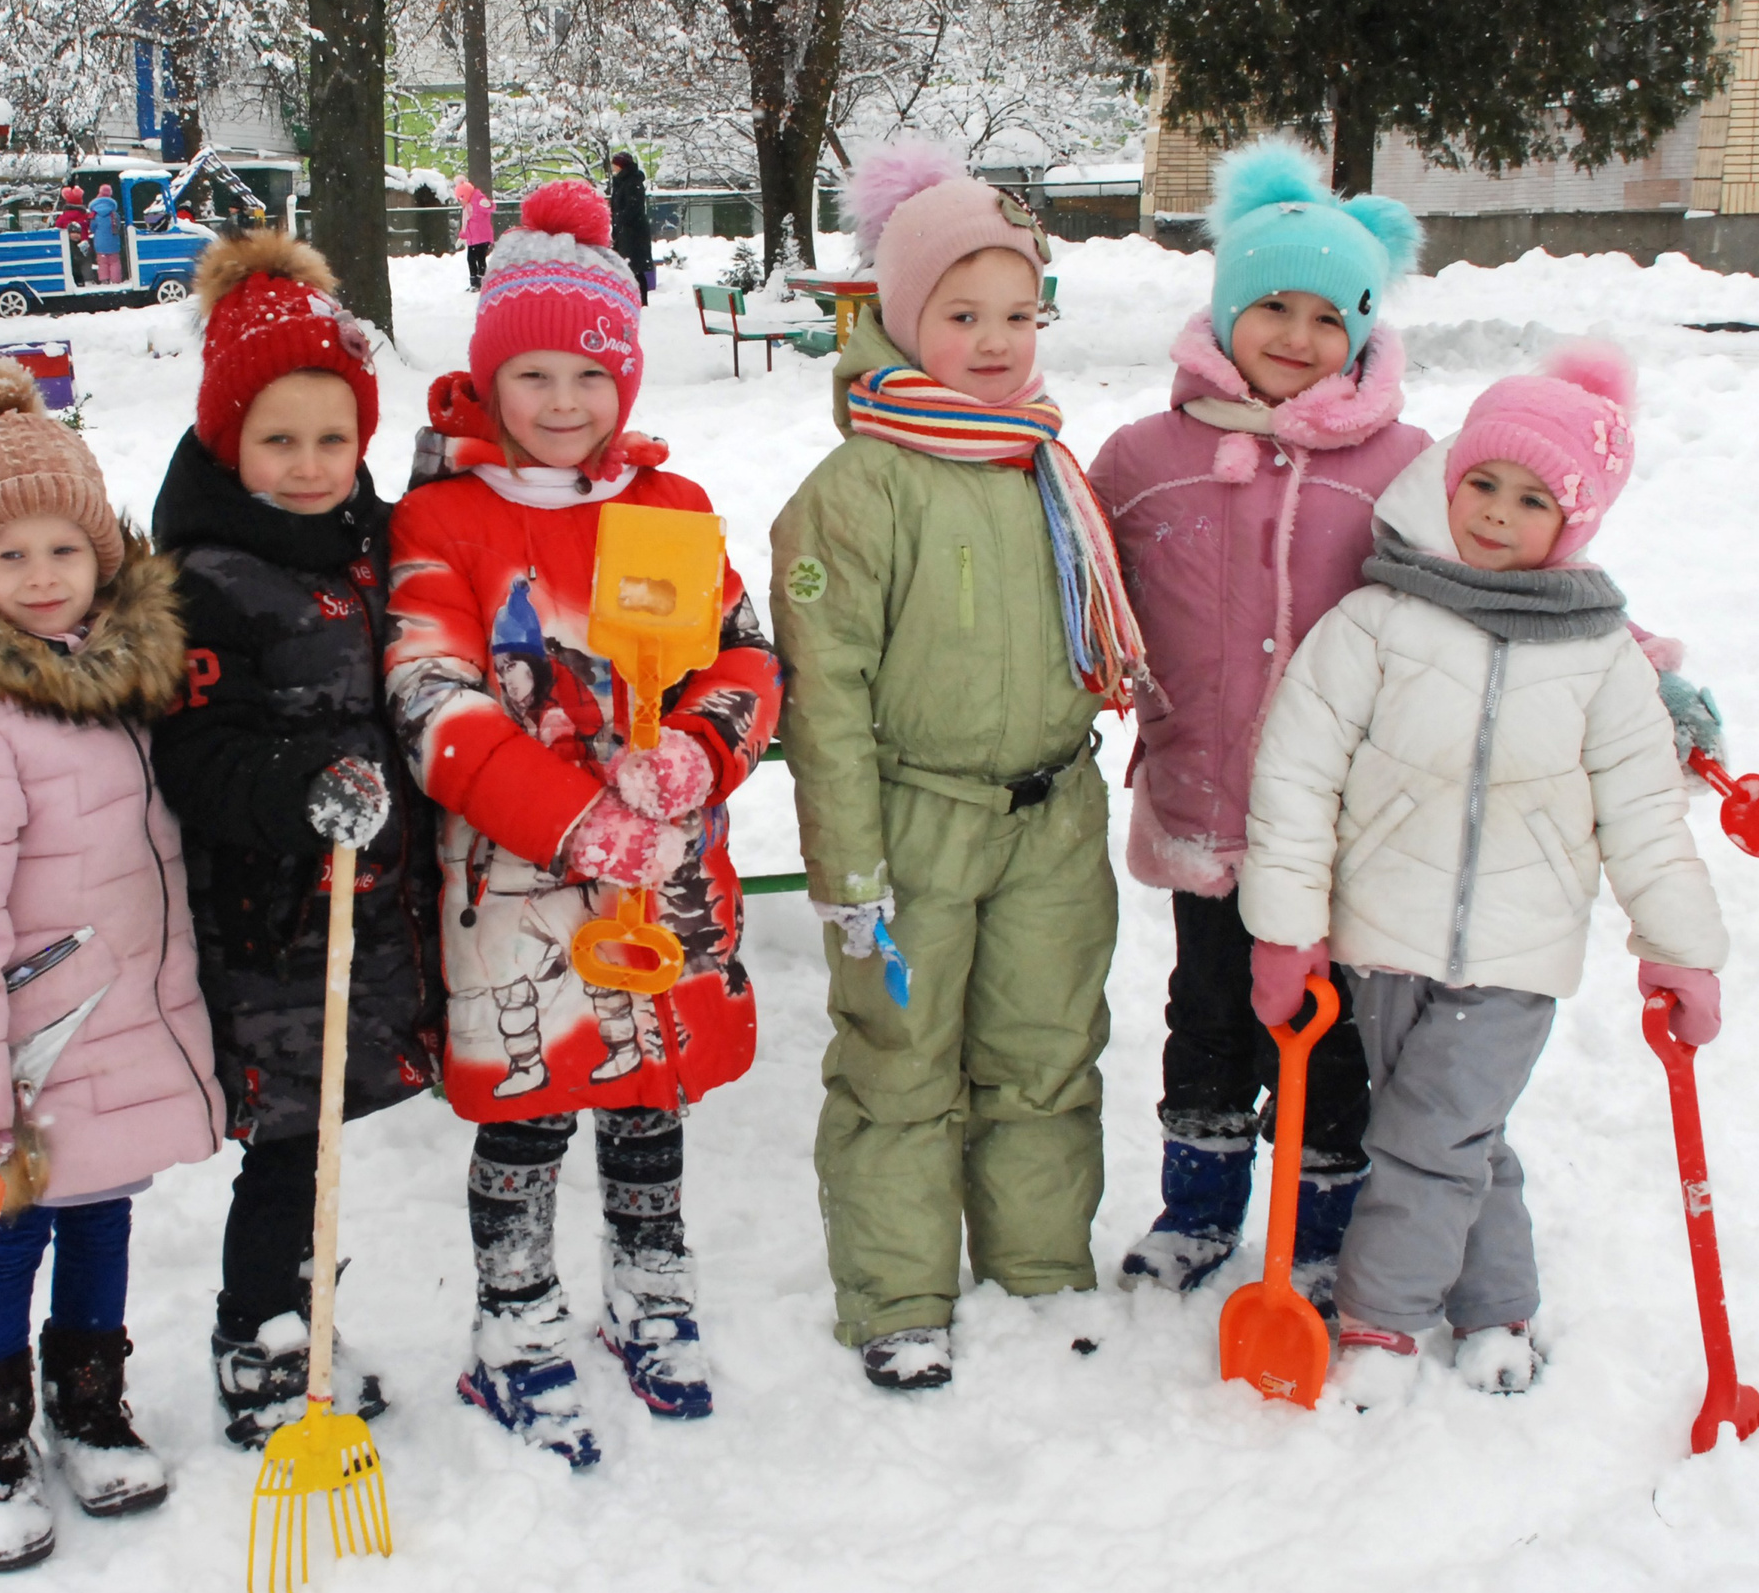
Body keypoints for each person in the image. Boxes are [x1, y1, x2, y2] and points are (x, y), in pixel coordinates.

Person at [1238, 345, 1727, 1400]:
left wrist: (1680, 953)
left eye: (1533, 499)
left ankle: (1381, 1317)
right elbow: (1295, 774)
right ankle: (1497, 1299)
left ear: (1576, 522)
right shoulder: (1376, 622)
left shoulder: (1599, 658)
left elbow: (1644, 815)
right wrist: (1285, 928)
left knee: (1424, 1134)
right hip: (1382, 941)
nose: (1498, 513)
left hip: (1516, 954)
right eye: (1482, 484)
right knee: (1463, 1133)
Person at [384, 180, 781, 1466]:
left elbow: (745, 657)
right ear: (488, 378)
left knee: (647, 1092)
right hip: (515, 879)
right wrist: (575, 823)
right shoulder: (441, 522)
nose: (564, 403)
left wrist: (698, 752)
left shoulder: (667, 511)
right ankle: (514, 1318)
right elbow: (434, 702)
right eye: (534, 373)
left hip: (662, 867)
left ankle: (649, 1292)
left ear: (627, 378)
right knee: (529, 1103)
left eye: (590, 374)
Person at [768, 140, 1141, 1392]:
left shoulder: (1046, 461)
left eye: (1016, 314)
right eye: (961, 314)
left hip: (1052, 808)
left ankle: (1039, 1271)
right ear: (903, 317)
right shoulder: (857, 489)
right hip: (914, 822)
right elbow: (825, 695)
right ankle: (898, 1291)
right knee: (899, 1062)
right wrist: (850, 863)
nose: (994, 341)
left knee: (1045, 1048)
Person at [0, 356, 223, 1571]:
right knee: (5, 1239)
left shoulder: (119, 689)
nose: (38, 577)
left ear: (102, 557)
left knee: (105, 1219)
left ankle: (89, 1401)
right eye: (9, 556)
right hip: (23, 1051)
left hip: (117, 1031)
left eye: (61, 551)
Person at [1086, 140, 1429, 1316]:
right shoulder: (1142, 460)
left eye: (1325, 315)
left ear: (1364, 329)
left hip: (1341, 824)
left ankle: (1322, 1226)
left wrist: (1647, 678)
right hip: (1204, 801)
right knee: (1210, 1011)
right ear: (1223, 311)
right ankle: (1196, 1209)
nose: (1294, 334)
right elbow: (1069, 576)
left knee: (1330, 1033)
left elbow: (1504, 579)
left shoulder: (1406, 469)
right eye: (1269, 306)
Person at [146, 230, 444, 1450]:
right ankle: (254, 1332)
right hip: (270, 920)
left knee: (320, 1138)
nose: (313, 464)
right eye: (280, 440)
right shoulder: (203, 580)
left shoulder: (372, 542)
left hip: (363, 903)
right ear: (228, 439)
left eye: (335, 438)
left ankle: (300, 1314)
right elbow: (193, 752)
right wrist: (297, 788)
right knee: (285, 1143)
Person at [607, 152, 654, 298]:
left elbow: (632, 207)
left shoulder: (632, 182)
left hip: (633, 233)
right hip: (623, 232)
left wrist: (619, 219)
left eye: (615, 164)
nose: (613, 167)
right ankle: (628, 297)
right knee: (625, 267)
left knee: (635, 268)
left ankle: (641, 299)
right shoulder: (620, 182)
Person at [456, 173, 495, 290]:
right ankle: (474, 282)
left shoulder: (478, 200)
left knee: (480, 258)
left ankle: (482, 281)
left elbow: (489, 208)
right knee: (471, 259)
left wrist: (488, 205)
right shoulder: (467, 208)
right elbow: (466, 224)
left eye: (461, 198)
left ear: (466, 195)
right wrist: (462, 236)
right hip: (473, 239)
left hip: (482, 237)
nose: (460, 202)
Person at [53, 185, 96, 286]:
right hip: (84, 243)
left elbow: (57, 226)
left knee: (72, 263)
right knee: (85, 262)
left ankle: (74, 280)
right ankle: (88, 280)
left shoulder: (63, 217)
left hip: (69, 245)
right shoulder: (84, 215)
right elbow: (90, 224)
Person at [90, 184, 124, 286]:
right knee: (114, 262)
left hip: (100, 243)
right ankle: (116, 280)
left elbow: (92, 228)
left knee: (102, 262)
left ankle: (104, 280)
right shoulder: (114, 214)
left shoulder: (95, 215)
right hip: (113, 241)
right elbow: (117, 226)